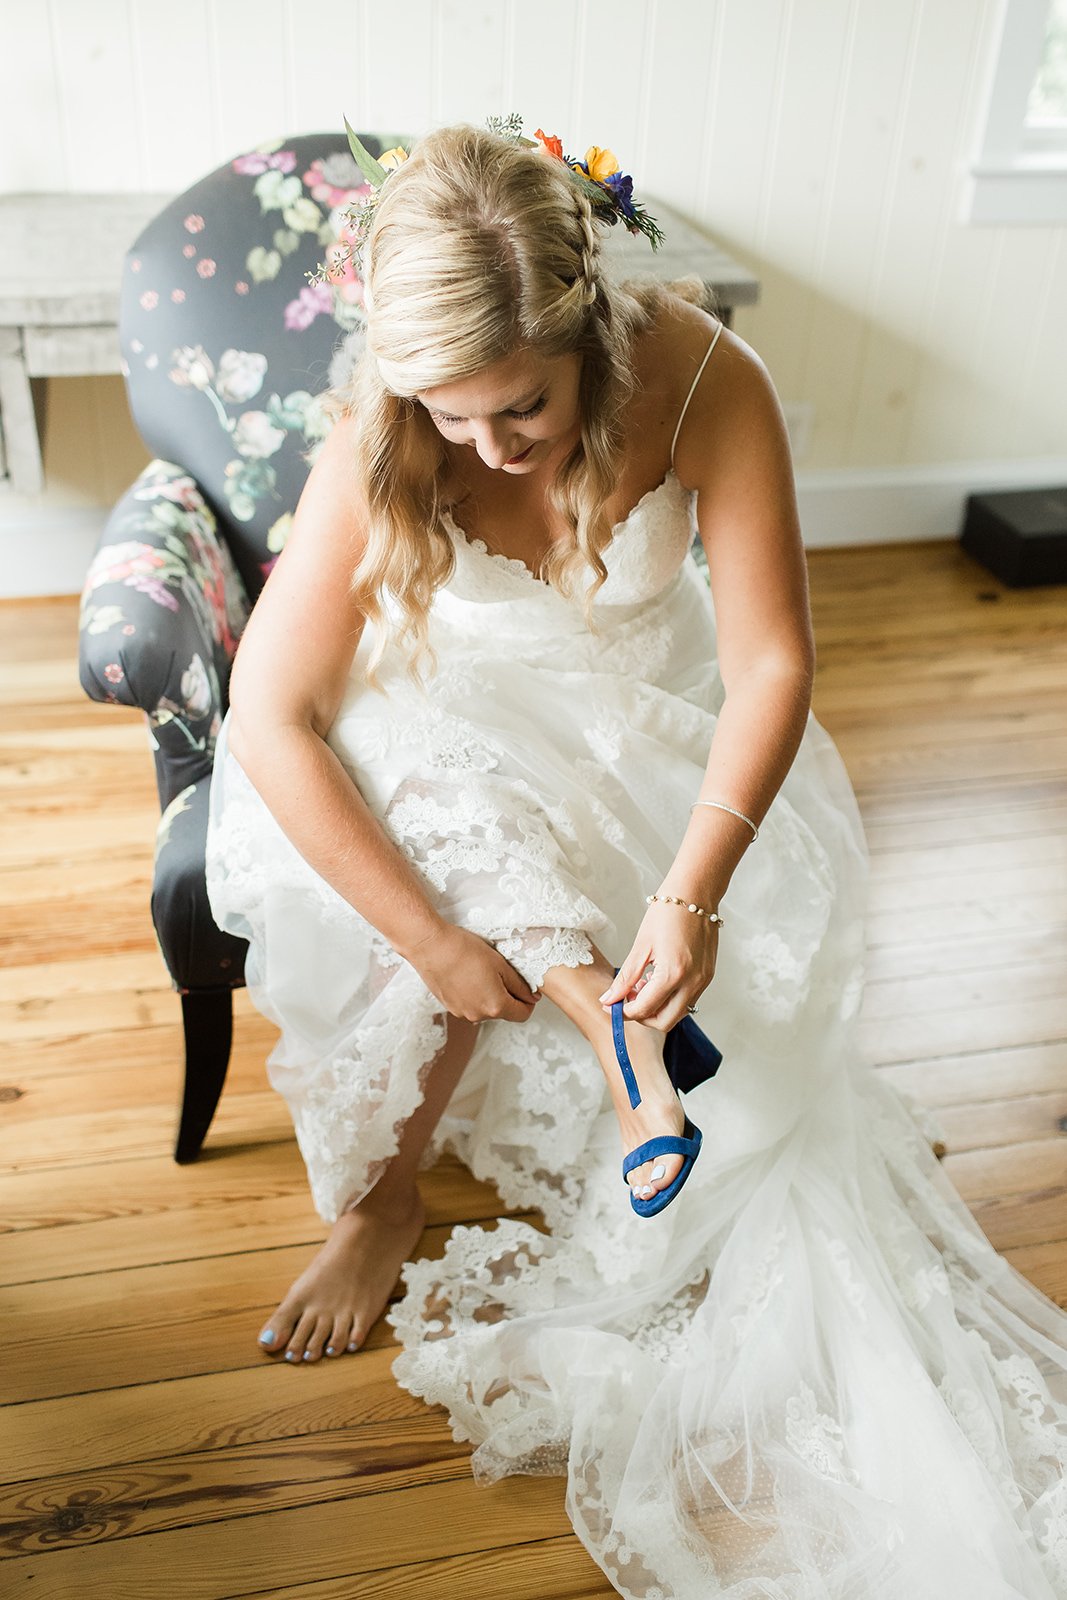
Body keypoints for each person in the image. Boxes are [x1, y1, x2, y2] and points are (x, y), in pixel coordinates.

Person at [206, 122, 1067, 1598]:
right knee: (441, 796)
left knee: (538, 832)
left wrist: (692, 890)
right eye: (452, 415)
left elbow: (774, 663)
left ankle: (609, 1027)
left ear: (587, 326)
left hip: (648, 735)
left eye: (523, 406)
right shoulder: (390, 435)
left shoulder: (712, 380)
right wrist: (431, 943)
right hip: (446, 722)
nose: (489, 449)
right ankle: (420, 1177)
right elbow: (272, 715)